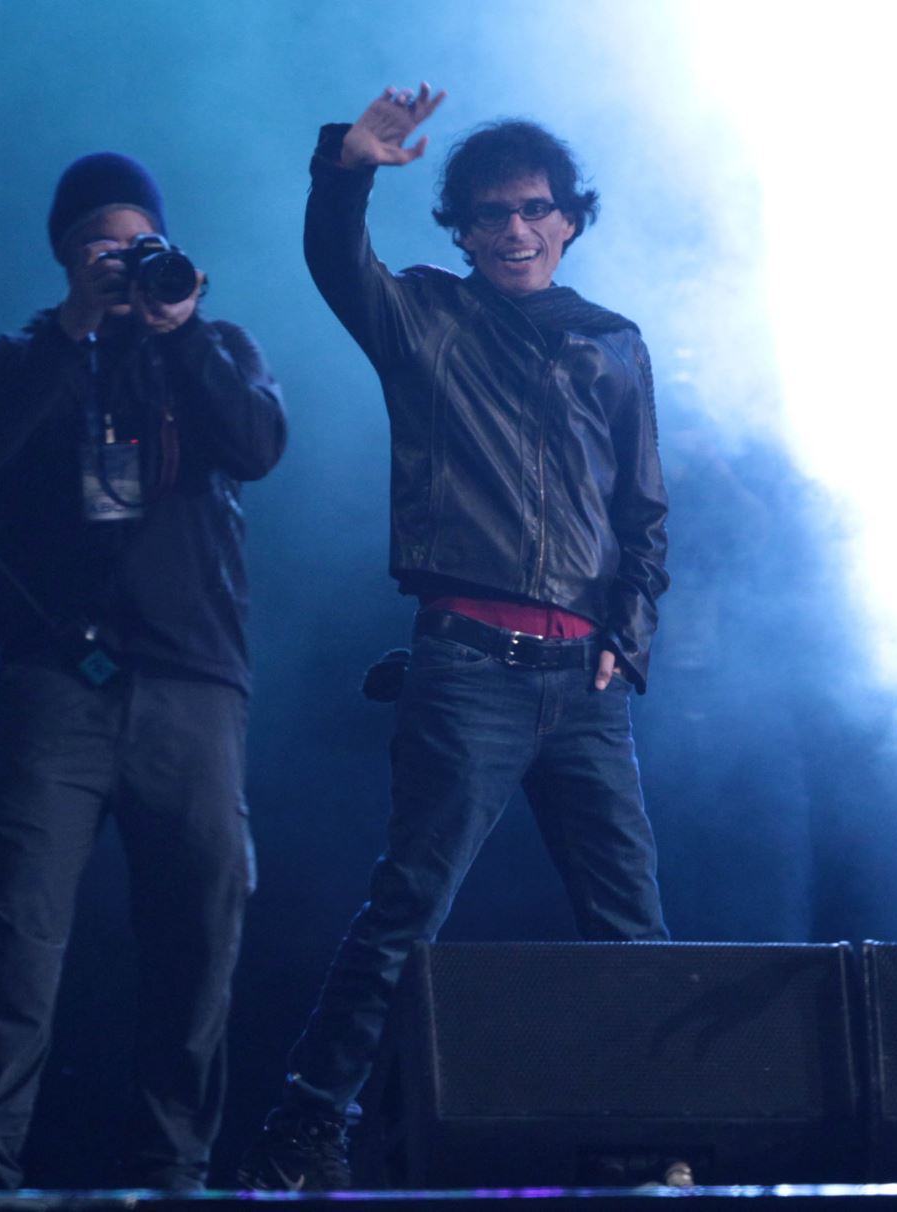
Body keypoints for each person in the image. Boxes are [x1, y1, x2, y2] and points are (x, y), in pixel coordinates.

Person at [236, 85, 670, 1190]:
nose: (513, 230)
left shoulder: (613, 346)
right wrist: (349, 167)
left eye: (531, 209)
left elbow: (645, 515)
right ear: (462, 231)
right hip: (468, 662)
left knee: (633, 931)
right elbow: (338, 264)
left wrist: (632, 634)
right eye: (488, 215)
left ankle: (661, 1135)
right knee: (407, 912)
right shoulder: (424, 317)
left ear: (570, 217)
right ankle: (304, 1129)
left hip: (584, 681)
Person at [0, 152, 286, 1192]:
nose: (124, 263)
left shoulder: (214, 345)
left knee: (199, 936)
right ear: (65, 255)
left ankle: (173, 1166)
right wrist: (73, 329)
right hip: (57, 682)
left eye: (141, 244)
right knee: (17, 929)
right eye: (101, 245)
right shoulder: (19, 354)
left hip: (193, 683)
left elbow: (259, 447)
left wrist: (180, 336)